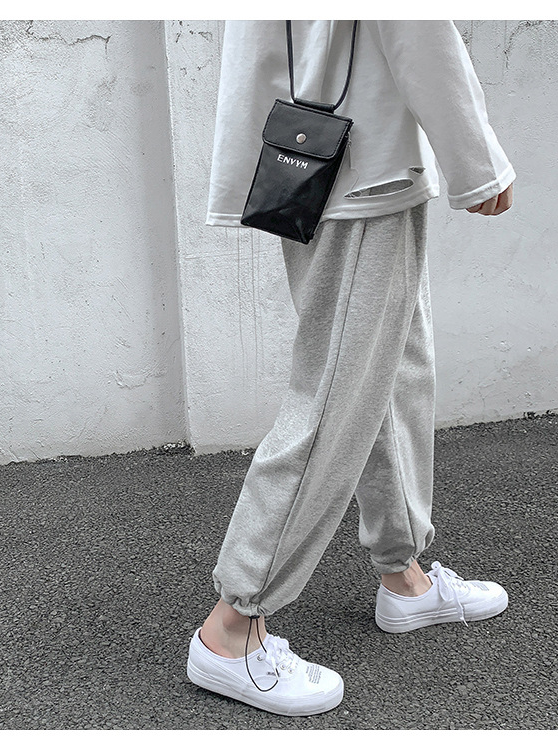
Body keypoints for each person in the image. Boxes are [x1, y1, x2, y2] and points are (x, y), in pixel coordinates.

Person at [186, 20, 515, 717]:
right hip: (364, 163)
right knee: (337, 396)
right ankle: (232, 627)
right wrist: (476, 160)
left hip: (318, 156)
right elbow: (415, 27)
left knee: (391, 374)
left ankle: (405, 576)